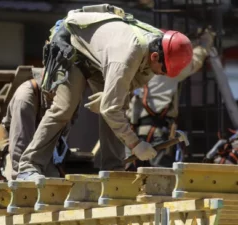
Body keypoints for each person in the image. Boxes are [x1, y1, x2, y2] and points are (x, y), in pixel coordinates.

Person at [16, 4, 193, 180]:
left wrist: (111, 95)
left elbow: (132, 84)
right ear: (154, 57)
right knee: (65, 108)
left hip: (100, 56)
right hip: (72, 45)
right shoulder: (128, 55)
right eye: (162, 71)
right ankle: (28, 166)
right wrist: (135, 144)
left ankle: (114, 171)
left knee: (118, 104)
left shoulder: (159, 46)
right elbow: (111, 109)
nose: (161, 75)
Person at [124, 29, 215, 170]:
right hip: (157, 130)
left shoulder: (141, 63)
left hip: (133, 131)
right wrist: (204, 44)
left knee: (129, 170)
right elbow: (194, 62)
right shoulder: (169, 67)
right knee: (159, 173)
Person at [0, 67, 76, 181]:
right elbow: (19, 146)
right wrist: (22, 183)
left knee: (55, 183)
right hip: (14, 150)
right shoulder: (25, 98)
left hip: (44, 149)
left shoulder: (70, 97)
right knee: (25, 185)